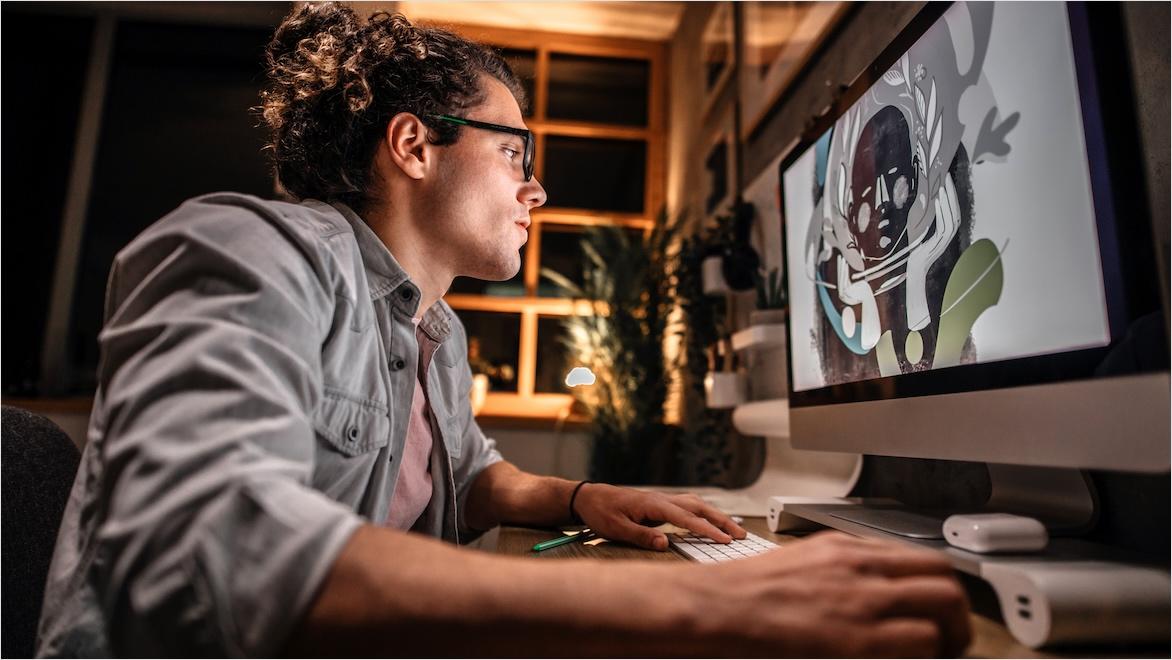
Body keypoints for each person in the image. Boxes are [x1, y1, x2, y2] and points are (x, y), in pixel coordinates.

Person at [37, 4, 972, 656]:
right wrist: (698, 600)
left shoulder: (433, 334)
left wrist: (580, 499)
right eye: (513, 151)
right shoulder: (250, 249)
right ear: (413, 145)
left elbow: (473, 475)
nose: (537, 187)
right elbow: (206, 544)